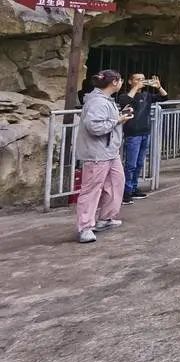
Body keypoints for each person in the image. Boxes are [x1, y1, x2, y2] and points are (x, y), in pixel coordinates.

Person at [74, 70, 129, 243]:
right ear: (114, 82)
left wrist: (121, 116)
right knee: (91, 189)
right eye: (120, 81)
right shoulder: (97, 101)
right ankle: (85, 227)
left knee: (116, 183)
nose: (121, 84)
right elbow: (95, 127)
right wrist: (117, 121)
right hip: (97, 153)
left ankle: (106, 218)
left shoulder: (106, 100)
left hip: (110, 151)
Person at [117, 72, 167, 204]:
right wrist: (135, 88)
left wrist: (158, 87)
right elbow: (124, 102)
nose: (141, 82)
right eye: (137, 79)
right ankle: (126, 192)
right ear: (130, 81)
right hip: (132, 134)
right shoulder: (125, 96)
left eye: (143, 80)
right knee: (130, 165)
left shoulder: (147, 95)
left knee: (139, 163)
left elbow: (164, 98)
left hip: (145, 132)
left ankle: (133, 188)